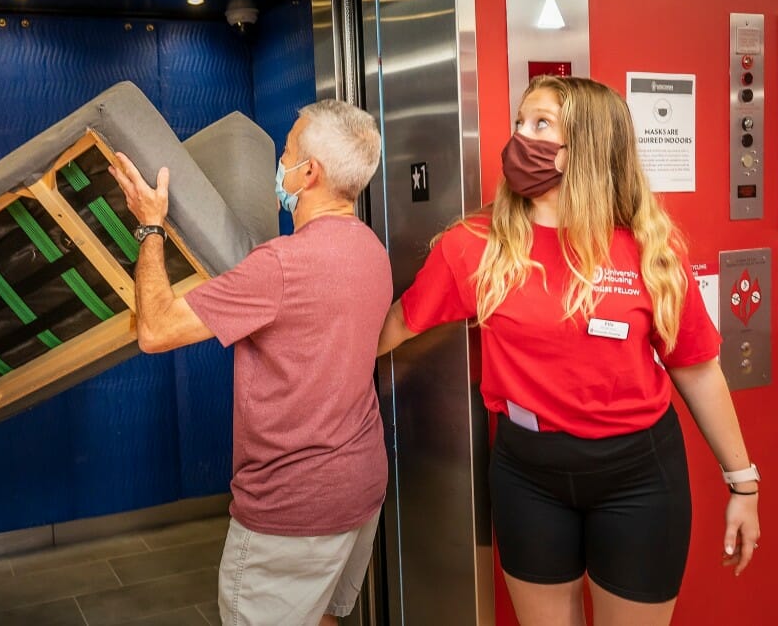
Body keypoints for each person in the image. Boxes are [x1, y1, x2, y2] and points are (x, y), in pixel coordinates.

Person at [377, 75, 761, 625]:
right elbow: (399, 322)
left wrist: (742, 483)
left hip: (638, 475)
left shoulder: (647, 249)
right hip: (526, 474)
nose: (519, 140)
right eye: (519, 123)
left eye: (541, 125)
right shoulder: (474, 247)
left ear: (588, 147)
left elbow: (698, 372)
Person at [107, 100, 391, 626]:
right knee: (324, 615)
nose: (278, 164)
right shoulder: (372, 250)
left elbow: (155, 330)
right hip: (361, 488)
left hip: (291, 508)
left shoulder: (279, 266)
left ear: (309, 173)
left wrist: (150, 226)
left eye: (285, 151)